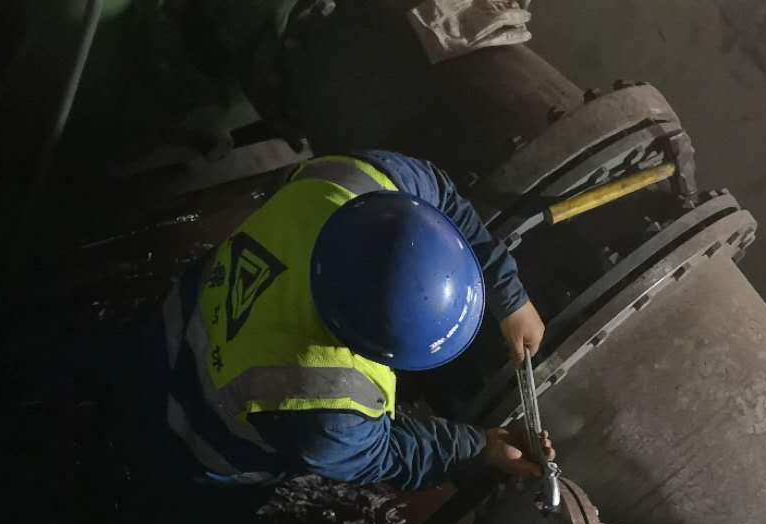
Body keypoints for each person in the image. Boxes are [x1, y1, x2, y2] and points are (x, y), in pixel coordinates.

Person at [157, 149, 551, 492]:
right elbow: (384, 454)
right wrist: (482, 448)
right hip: (194, 439)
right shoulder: (324, 407)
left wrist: (511, 299)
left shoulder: (357, 179)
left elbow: (440, 194)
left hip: (178, 309)